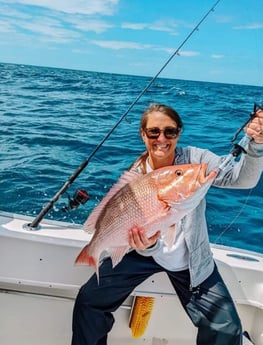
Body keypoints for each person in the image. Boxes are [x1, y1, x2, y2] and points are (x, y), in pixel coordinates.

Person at [71, 103, 263, 345]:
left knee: (226, 327)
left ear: (178, 133)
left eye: (169, 132)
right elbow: (139, 227)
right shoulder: (137, 174)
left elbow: (241, 179)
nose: (161, 138)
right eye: (153, 132)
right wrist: (147, 246)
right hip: (140, 252)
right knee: (89, 301)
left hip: (189, 258)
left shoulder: (195, 160)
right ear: (143, 135)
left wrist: (256, 146)